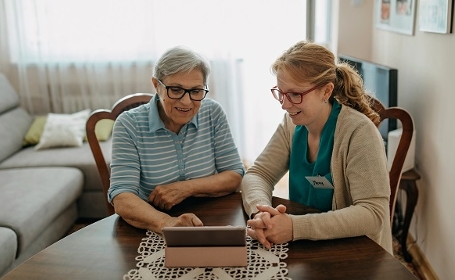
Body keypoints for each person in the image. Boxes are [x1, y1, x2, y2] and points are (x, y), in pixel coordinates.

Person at [241, 40, 393, 254]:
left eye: (295, 94)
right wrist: (261, 213)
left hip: (358, 253)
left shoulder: (359, 132)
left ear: (326, 91)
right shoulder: (291, 125)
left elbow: (373, 214)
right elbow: (258, 174)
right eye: (281, 93)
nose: (284, 104)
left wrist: (294, 227)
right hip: (308, 245)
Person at [108, 46, 245, 234]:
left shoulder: (212, 112)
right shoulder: (128, 124)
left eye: (196, 91)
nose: (187, 102)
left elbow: (235, 175)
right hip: (151, 223)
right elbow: (122, 197)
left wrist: (185, 188)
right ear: (156, 85)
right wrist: (167, 223)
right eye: (176, 89)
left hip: (210, 218)